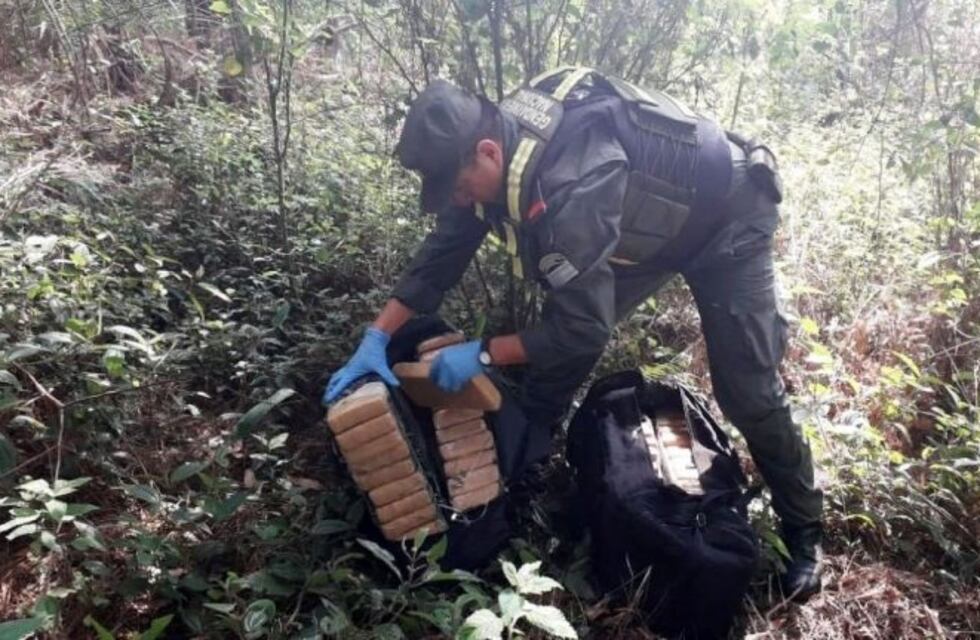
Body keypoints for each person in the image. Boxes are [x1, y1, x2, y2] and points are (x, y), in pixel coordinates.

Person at [323, 67, 823, 601]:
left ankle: (806, 530)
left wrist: (486, 354)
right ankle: (529, 455)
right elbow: (439, 258)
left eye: (462, 187)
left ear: (488, 153)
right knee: (551, 339)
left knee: (747, 392)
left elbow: (580, 333)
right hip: (644, 226)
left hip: (729, 217)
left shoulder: (569, 187)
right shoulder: (491, 158)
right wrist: (374, 339)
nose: (462, 199)